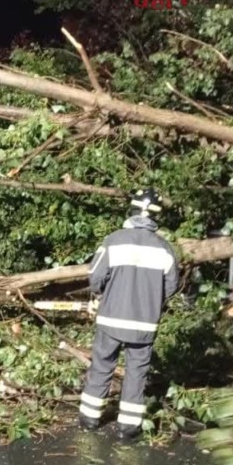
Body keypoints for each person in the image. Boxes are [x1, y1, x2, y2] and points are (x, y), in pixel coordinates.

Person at [77, 187, 179, 440]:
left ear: (132, 209)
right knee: (137, 372)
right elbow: (171, 287)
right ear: (157, 216)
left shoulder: (114, 240)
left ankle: (89, 419)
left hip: (111, 318)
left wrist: (103, 294)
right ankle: (128, 428)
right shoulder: (165, 249)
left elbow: (96, 277)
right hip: (144, 324)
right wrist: (150, 301)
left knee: (102, 366)